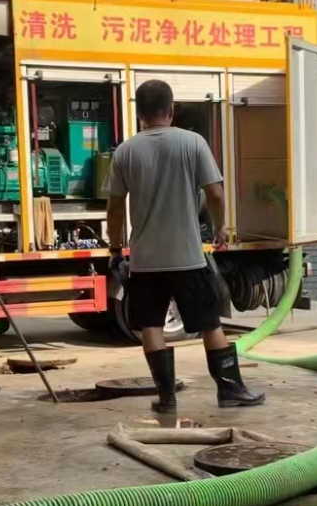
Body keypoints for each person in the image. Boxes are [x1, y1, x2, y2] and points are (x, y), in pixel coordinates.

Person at [106, 79, 265, 414]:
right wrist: (222, 226)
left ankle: (166, 398)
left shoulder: (125, 151)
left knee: (150, 324)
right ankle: (230, 390)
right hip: (188, 257)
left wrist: (115, 247)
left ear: (140, 112)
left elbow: (116, 206)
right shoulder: (193, 143)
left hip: (145, 260)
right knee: (209, 322)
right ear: (172, 109)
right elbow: (216, 193)